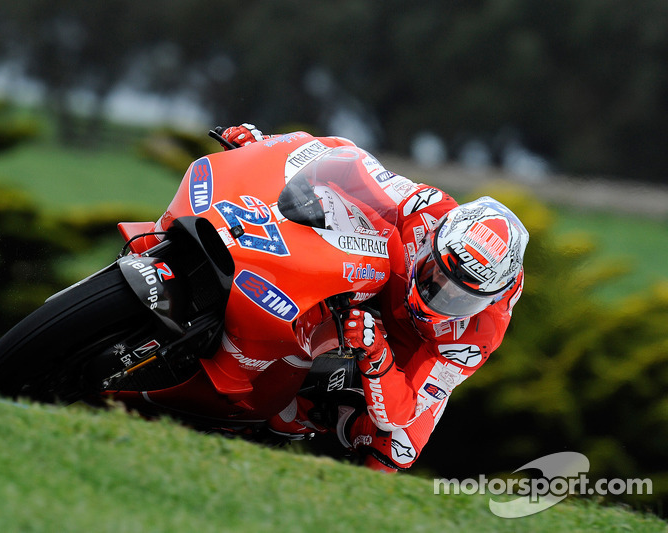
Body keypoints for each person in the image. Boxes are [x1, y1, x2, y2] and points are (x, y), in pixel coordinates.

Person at [219, 124, 529, 472]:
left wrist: (376, 350)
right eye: (434, 273)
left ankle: (331, 443)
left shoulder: (476, 336)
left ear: (485, 302)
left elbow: (401, 412)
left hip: (417, 345)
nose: (436, 294)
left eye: (458, 297)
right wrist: (266, 150)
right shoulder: (425, 209)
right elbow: (348, 162)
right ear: (432, 237)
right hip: (383, 283)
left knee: (399, 445)